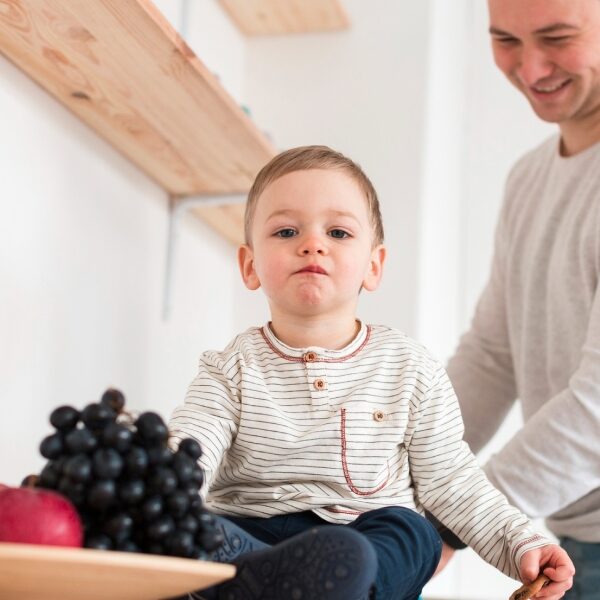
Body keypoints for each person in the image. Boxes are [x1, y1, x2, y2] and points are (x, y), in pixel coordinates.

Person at [169, 145, 574, 600]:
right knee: (199, 523)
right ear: (250, 266)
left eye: (338, 232)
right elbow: (190, 448)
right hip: (252, 534)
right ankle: (245, 572)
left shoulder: (410, 368)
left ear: (374, 266)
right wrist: (154, 495)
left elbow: (453, 481)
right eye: (286, 231)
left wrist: (520, 544)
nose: (312, 244)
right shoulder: (229, 368)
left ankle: (340, 589)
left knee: (414, 532)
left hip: (358, 545)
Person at [434, 0, 600, 597]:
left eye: (557, 37)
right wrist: (396, 467)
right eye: (505, 40)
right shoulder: (528, 177)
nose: (530, 69)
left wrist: (454, 520)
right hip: (576, 540)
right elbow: (492, 355)